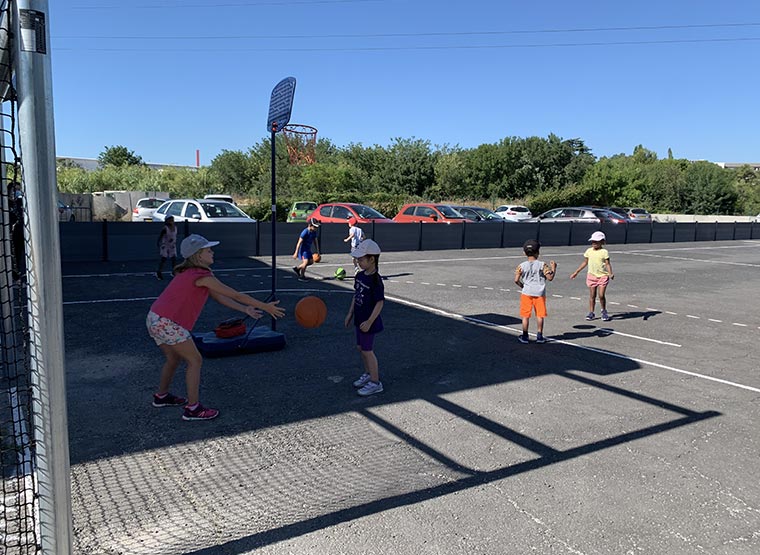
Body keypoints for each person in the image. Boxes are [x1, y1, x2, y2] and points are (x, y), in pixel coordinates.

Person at [147, 234, 285, 421]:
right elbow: (236, 294)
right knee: (195, 360)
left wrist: (245, 309)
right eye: (208, 250)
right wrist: (265, 306)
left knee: (173, 359)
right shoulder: (202, 276)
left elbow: (219, 297)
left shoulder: (193, 274)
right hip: (167, 322)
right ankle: (193, 409)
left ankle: (161, 396)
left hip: (155, 317)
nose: (212, 252)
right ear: (198, 255)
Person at [345, 239, 385, 396]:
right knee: (361, 348)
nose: (357, 262)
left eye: (361, 259)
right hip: (359, 319)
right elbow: (356, 296)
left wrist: (370, 321)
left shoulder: (376, 280)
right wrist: (350, 313)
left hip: (369, 322)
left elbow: (380, 303)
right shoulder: (360, 276)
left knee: (368, 351)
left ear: (372, 259)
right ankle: (368, 374)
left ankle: (376, 382)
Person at [514, 239, 556, 344]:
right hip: (539, 293)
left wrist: (522, 286)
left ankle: (525, 335)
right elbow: (550, 278)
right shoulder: (543, 265)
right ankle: (540, 336)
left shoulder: (521, 266)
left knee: (525, 315)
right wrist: (554, 268)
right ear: (538, 252)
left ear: (524, 253)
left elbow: (516, 280)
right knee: (540, 315)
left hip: (526, 292)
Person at [570, 230, 614, 321]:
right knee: (592, 295)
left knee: (601, 295)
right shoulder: (589, 251)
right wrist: (576, 272)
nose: (593, 243)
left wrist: (610, 273)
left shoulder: (604, 252)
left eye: (596, 241)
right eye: (592, 241)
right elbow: (585, 262)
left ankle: (604, 311)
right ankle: (591, 312)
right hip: (592, 276)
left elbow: (607, 264)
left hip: (603, 276)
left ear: (602, 242)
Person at [156, 215, 177, 280]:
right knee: (164, 258)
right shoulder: (165, 228)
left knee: (173, 259)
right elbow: (161, 236)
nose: (171, 221)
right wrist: (158, 242)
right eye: (170, 220)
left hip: (172, 245)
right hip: (165, 245)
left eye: (172, 220)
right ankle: (159, 272)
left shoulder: (175, 228)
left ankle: (174, 271)